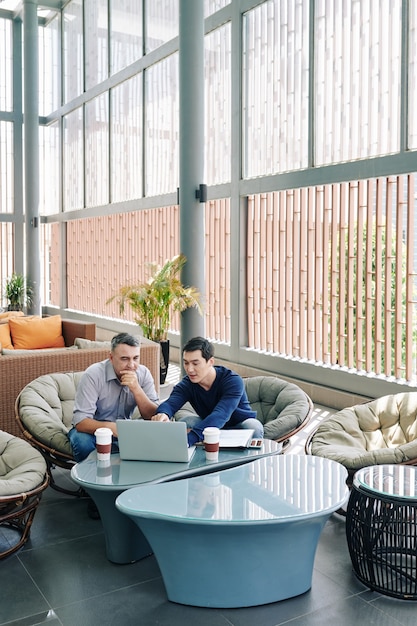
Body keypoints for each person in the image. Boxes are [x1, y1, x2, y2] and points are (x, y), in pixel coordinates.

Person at [68, 332, 163, 463]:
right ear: (111, 358)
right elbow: (80, 422)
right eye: (125, 359)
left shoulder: (143, 373)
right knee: (82, 442)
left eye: (135, 358)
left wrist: (136, 389)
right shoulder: (93, 375)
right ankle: (92, 480)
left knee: (155, 437)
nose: (131, 365)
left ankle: (129, 476)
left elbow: (153, 416)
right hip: (92, 432)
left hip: (125, 429)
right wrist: (111, 428)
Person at [153, 336, 264, 446]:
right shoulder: (188, 383)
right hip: (209, 426)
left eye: (195, 363)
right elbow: (171, 403)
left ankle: (249, 462)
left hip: (239, 425)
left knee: (254, 426)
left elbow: (220, 414)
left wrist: (190, 439)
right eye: (186, 363)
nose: (189, 369)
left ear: (210, 362)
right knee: (187, 421)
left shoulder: (232, 381)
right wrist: (163, 413)